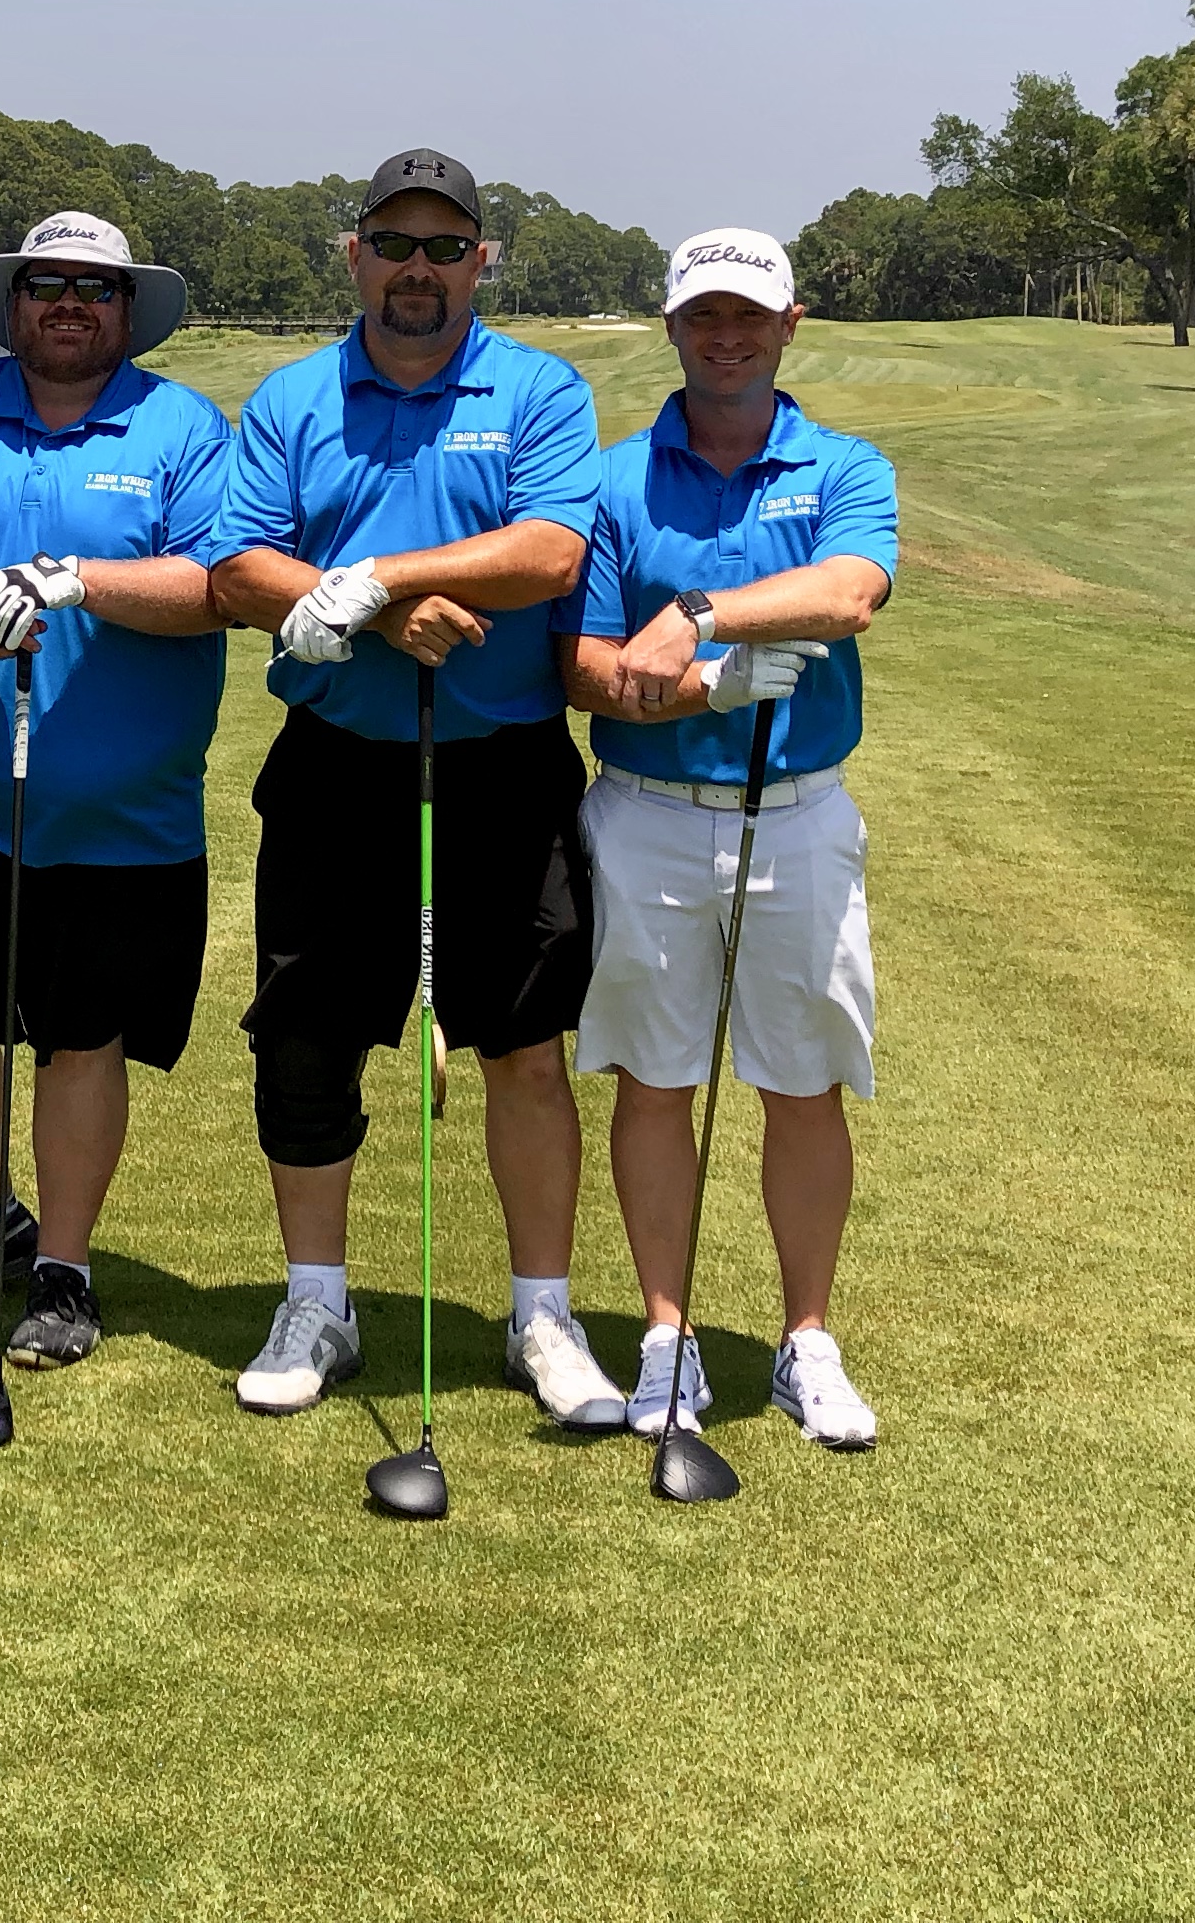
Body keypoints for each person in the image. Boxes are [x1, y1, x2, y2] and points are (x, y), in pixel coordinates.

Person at [203, 148, 628, 1428]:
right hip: (336, 767)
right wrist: (382, 617)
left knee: (525, 1047)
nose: (418, 270)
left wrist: (377, 581)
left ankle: (542, 1315)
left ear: (480, 262)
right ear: (356, 257)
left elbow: (549, 551)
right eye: (395, 244)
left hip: (503, 769)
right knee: (308, 1041)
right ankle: (316, 1302)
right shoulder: (293, 397)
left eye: (446, 248)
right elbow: (238, 564)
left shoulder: (539, 390)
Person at [0, 211, 233, 1370]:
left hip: (119, 813)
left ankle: (63, 1268)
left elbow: (215, 585)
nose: (69, 303)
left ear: (127, 310)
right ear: (14, 304)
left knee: (84, 1037)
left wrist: (81, 582)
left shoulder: (181, 425)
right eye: (46, 284)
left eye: (94, 288)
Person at [560, 227, 897, 1449]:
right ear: (671, 327)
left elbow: (849, 592)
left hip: (798, 815)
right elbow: (583, 669)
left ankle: (808, 1342)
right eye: (703, 315)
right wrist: (708, 688)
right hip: (645, 813)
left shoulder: (845, 466)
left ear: (790, 325)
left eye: (749, 315)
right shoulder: (612, 480)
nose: (727, 336)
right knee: (657, 1080)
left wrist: (696, 614)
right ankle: (668, 1334)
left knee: (803, 1083)